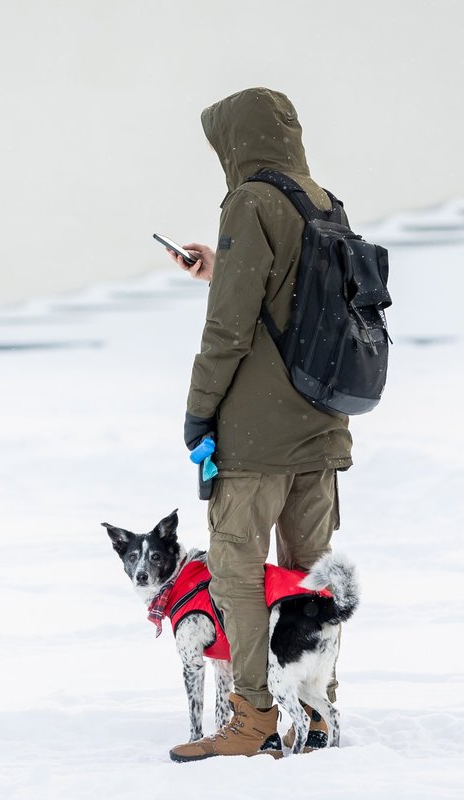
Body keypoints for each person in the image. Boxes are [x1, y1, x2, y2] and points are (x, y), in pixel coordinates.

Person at [167, 87, 352, 761]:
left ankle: (253, 719)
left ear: (235, 142)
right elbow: (288, 298)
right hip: (322, 425)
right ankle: (318, 711)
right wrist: (218, 269)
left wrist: (199, 410)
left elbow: (230, 325)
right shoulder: (321, 200)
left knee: (237, 574)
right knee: (310, 578)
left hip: (258, 434)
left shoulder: (249, 200)